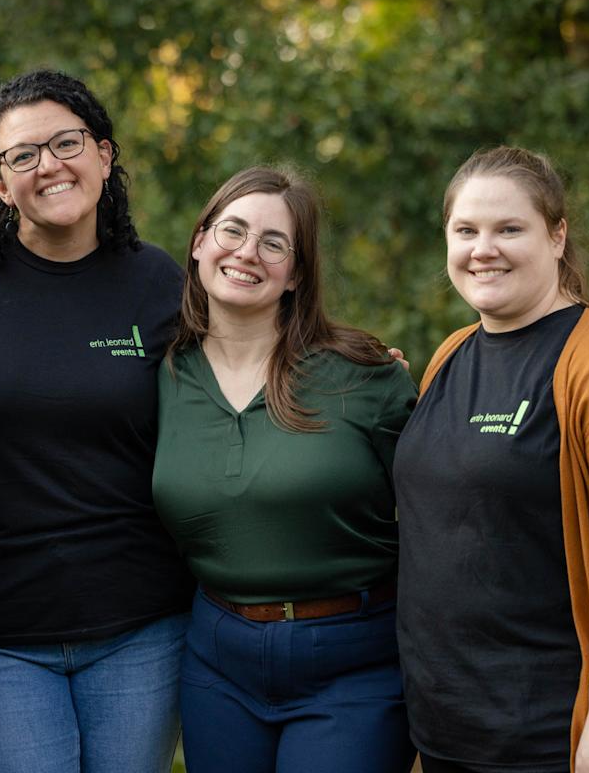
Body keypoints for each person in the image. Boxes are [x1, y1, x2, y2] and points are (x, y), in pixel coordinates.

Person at [0, 70, 194, 773]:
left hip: (143, 627)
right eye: (23, 156)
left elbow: (247, 373)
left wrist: (349, 367)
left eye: (66, 143)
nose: (50, 166)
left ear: (104, 154)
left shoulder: (158, 282)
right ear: (2, 185)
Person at [394, 146, 589, 773]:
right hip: (448, 730)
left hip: (558, 737)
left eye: (510, 228)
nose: (484, 248)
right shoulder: (450, 356)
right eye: (466, 231)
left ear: (557, 236)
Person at [152, 166, 418, 773]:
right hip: (218, 660)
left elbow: (451, 501)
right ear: (199, 242)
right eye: (232, 231)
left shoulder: (365, 375)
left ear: (296, 273)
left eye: (274, 243)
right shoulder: (164, 374)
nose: (248, 253)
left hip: (353, 661)